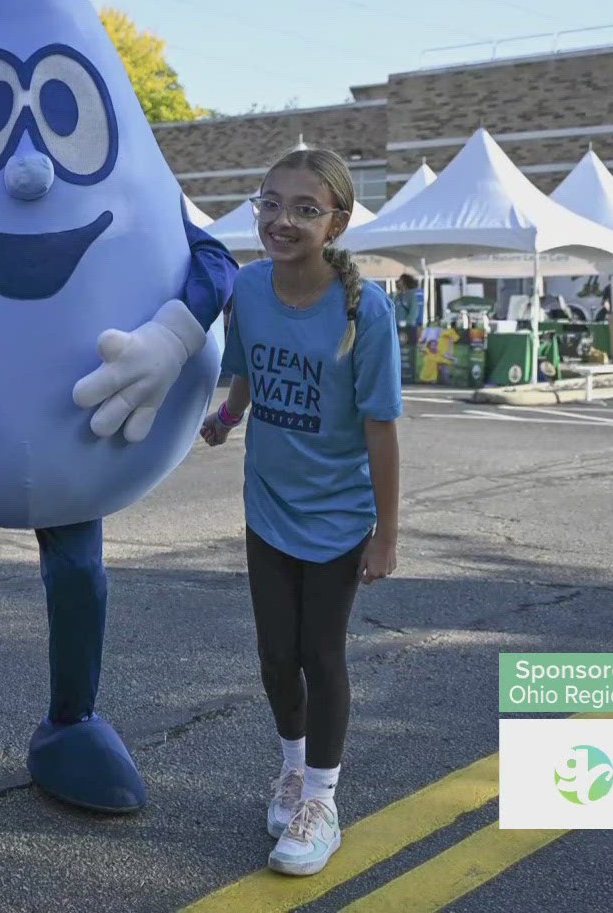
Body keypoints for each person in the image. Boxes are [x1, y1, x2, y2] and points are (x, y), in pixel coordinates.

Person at [199, 145, 402, 879]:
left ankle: (322, 801)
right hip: (268, 506)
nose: (283, 221)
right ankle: (291, 770)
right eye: (271, 204)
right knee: (275, 653)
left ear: (336, 224)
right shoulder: (249, 289)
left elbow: (381, 426)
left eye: (305, 209)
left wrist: (385, 534)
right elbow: (251, 368)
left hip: (339, 516)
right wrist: (227, 416)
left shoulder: (363, 309)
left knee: (322, 653)